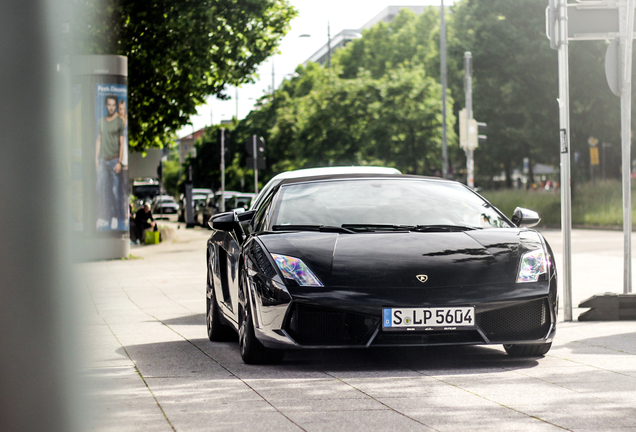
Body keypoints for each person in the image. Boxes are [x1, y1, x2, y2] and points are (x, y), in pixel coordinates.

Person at [95, 94, 125, 230]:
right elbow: (99, 140)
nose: (112, 107)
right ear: (106, 106)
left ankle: (117, 218)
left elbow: (122, 142)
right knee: (102, 190)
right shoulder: (101, 121)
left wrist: (119, 161)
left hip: (114, 161)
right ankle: (104, 217)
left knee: (115, 191)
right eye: (109, 105)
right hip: (103, 160)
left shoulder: (119, 121)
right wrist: (95, 158)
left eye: (114, 105)